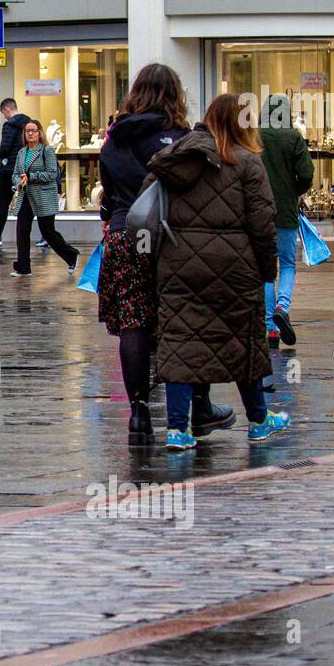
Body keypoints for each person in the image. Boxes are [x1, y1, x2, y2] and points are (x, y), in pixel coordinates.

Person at [146, 93, 290, 451]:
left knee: (180, 344)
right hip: (235, 267)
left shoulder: (175, 158)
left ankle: (178, 431)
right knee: (245, 342)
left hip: (178, 265)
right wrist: (267, 269)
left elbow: (149, 207)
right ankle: (258, 420)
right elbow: (262, 224)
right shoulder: (248, 163)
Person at [98, 64, 230, 447]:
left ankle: (138, 413)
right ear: (174, 94)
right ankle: (199, 405)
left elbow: (109, 193)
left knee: (134, 321)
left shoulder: (115, 138)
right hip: (171, 237)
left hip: (127, 234)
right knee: (186, 317)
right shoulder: (180, 138)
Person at [259, 94, 314, 348]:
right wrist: (296, 189)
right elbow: (305, 174)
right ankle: (283, 305)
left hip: (259, 213)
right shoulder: (293, 137)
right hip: (286, 213)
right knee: (288, 264)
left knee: (266, 271)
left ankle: (270, 328)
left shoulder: (255, 136)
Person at [10, 119, 79, 276]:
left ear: (40, 133)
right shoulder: (22, 152)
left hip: (43, 196)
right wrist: (18, 181)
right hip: (25, 195)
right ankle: (23, 267)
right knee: (22, 230)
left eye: (33, 130)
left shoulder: (46, 151)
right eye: (27, 131)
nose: (30, 133)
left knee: (48, 232)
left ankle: (71, 255)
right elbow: (15, 174)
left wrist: (31, 176)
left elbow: (52, 174)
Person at [0, 98, 31, 246]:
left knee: (3, 203)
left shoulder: (9, 125)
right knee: (30, 204)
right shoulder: (29, 124)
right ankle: (45, 236)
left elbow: (5, 148)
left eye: (4, 113)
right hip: (26, 168)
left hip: (10, 169)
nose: (4, 117)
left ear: (7, 109)